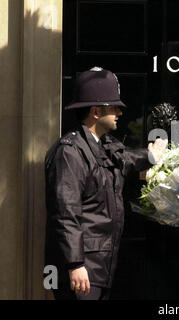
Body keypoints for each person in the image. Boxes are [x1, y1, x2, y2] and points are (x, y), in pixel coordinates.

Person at [44, 67, 167, 300]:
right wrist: (75, 264)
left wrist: (151, 157)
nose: (120, 113)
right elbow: (65, 212)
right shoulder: (69, 152)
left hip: (100, 266)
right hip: (82, 270)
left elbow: (125, 158)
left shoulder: (102, 146)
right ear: (96, 111)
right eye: (114, 107)